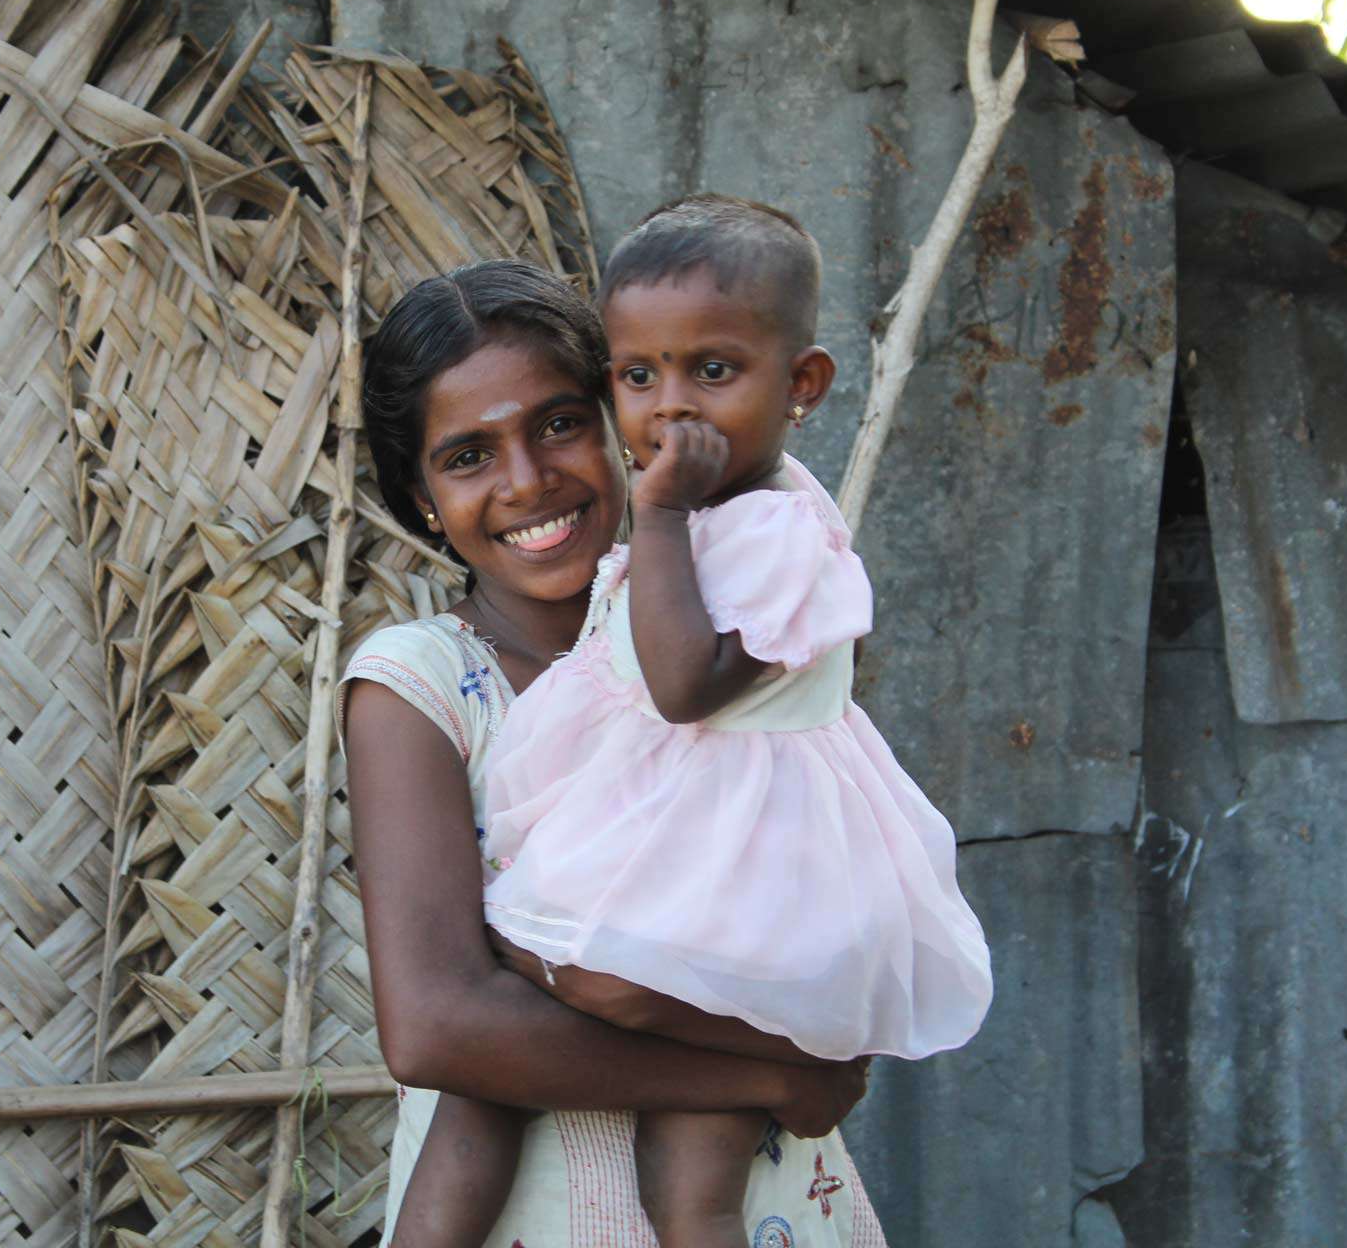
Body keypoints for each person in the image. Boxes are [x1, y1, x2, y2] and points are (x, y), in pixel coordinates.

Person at [389, 198, 997, 1248]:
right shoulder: (423, 680)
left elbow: (747, 812)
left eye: (559, 422)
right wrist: (772, 1066)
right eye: (468, 455)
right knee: (487, 1094)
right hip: (557, 1207)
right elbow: (442, 1027)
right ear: (421, 493)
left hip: (779, 1202)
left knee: (695, 1191)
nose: (529, 477)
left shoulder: (734, 559)